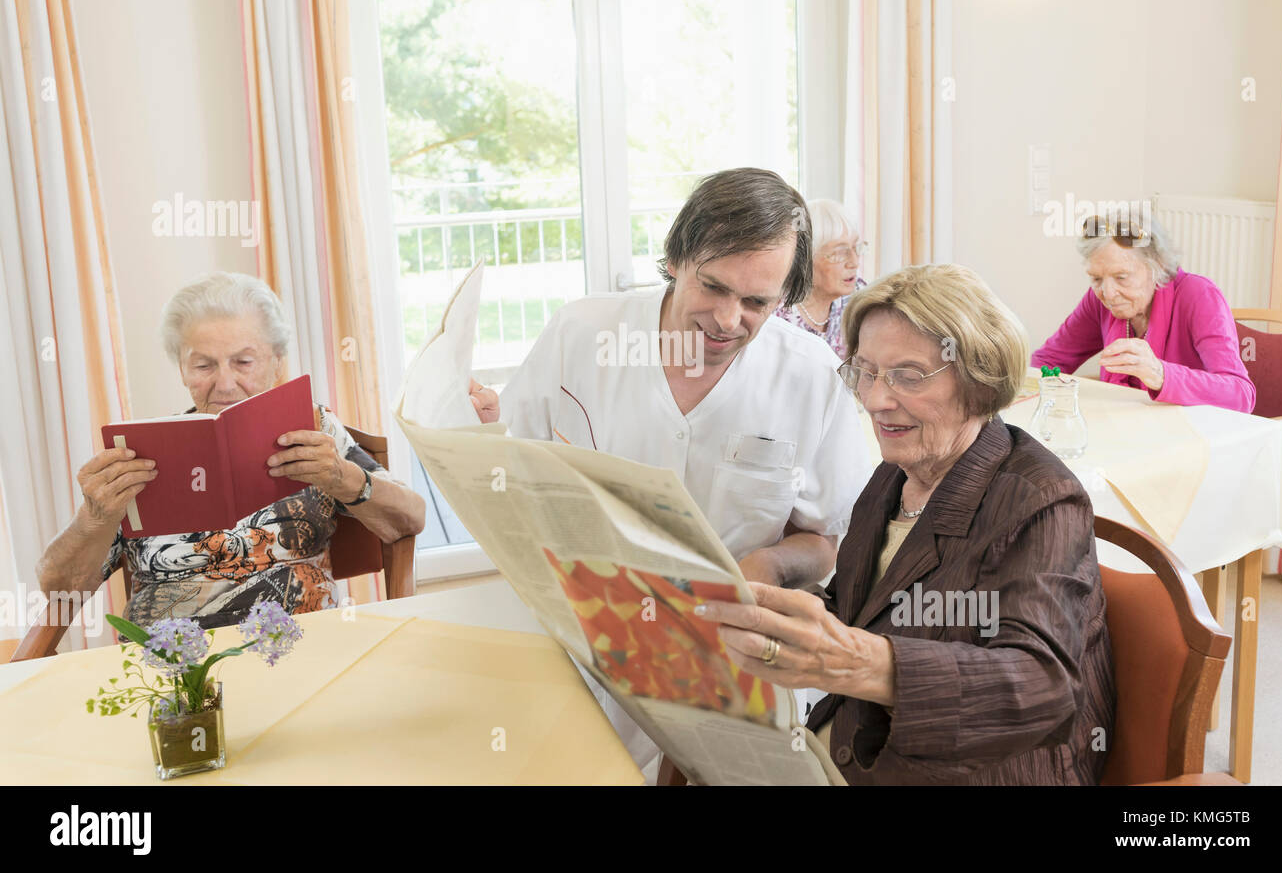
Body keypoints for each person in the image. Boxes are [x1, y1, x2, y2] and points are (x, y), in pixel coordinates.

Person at [697, 264, 1116, 784]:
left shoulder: (1040, 500)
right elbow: (874, 612)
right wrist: (785, 604)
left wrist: (858, 662)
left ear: (979, 381)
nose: (875, 400)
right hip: (859, 750)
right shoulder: (892, 479)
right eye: (866, 372)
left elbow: (1041, 687)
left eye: (908, 376)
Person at [471, 168, 870, 587]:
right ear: (676, 260)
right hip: (584, 605)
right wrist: (481, 434)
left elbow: (826, 537)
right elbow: (509, 471)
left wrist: (768, 567)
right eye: (713, 287)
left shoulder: (813, 375)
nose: (727, 320)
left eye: (756, 301)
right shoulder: (580, 333)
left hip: (729, 629)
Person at [36, 272, 426, 631]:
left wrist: (344, 478)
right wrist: (94, 517)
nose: (224, 384)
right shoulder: (144, 452)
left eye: (243, 361)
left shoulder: (315, 428)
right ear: (182, 370)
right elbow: (59, 589)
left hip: (298, 649)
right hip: (178, 668)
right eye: (203, 365)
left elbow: (409, 518)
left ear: (276, 361)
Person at [1031, 209, 1255, 412]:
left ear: (1156, 266)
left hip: (1194, 435)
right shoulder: (1098, 300)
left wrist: (1160, 374)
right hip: (1127, 429)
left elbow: (1240, 395)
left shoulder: (1198, 296)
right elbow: (1047, 361)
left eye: (1121, 277)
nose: (1108, 293)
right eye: (1096, 278)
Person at [773, 198, 867, 359]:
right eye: (840, 253)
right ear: (805, 259)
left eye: (856, 248)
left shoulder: (858, 295)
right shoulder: (776, 313)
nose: (854, 262)